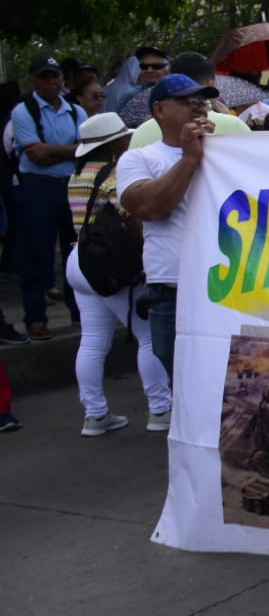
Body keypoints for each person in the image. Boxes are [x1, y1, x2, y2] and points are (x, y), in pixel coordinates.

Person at [65, 114, 171, 436]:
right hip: (111, 265)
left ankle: (95, 415)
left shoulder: (78, 175)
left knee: (93, 340)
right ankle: (161, 410)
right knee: (148, 334)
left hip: (79, 260)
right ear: (115, 144)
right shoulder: (115, 176)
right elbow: (133, 218)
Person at [117, 74, 216, 380]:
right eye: (189, 102)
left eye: (203, 102)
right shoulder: (138, 158)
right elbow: (150, 207)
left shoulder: (224, 153)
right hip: (172, 291)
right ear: (160, 110)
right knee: (184, 383)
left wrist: (217, 150)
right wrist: (189, 158)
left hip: (224, 288)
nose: (199, 109)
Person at [10, 52, 88, 341]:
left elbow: (85, 150)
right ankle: (35, 318)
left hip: (71, 185)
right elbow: (36, 154)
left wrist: (55, 150)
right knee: (36, 252)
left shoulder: (75, 110)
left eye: (55, 76)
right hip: (38, 186)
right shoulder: (23, 111)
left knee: (76, 250)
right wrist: (70, 150)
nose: (51, 82)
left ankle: (78, 311)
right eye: (44, 76)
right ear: (32, 80)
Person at [130, 53, 250, 147]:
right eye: (185, 103)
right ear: (210, 84)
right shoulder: (236, 126)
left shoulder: (141, 133)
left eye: (200, 103)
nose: (198, 110)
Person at [112, 46, 170, 123]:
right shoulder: (130, 96)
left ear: (168, 68)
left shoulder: (178, 93)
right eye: (144, 67)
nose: (149, 70)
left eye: (156, 66)